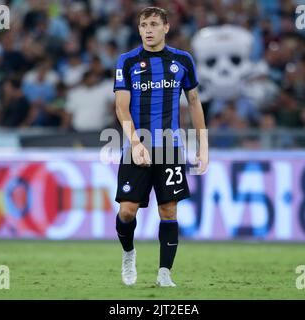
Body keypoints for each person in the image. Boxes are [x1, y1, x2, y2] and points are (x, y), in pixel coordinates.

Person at [113, 7, 208, 287]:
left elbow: (194, 102)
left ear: (166, 27)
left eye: (154, 24)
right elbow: (121, 107)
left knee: (168, 211)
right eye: (144, 25)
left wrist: (204, 145)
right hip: (136, 146)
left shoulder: (182, 60)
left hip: (170, 147)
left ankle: (164, 273)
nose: (148, 30)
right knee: (127, 211)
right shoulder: (127, 61)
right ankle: (128, 253)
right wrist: (135, 143)